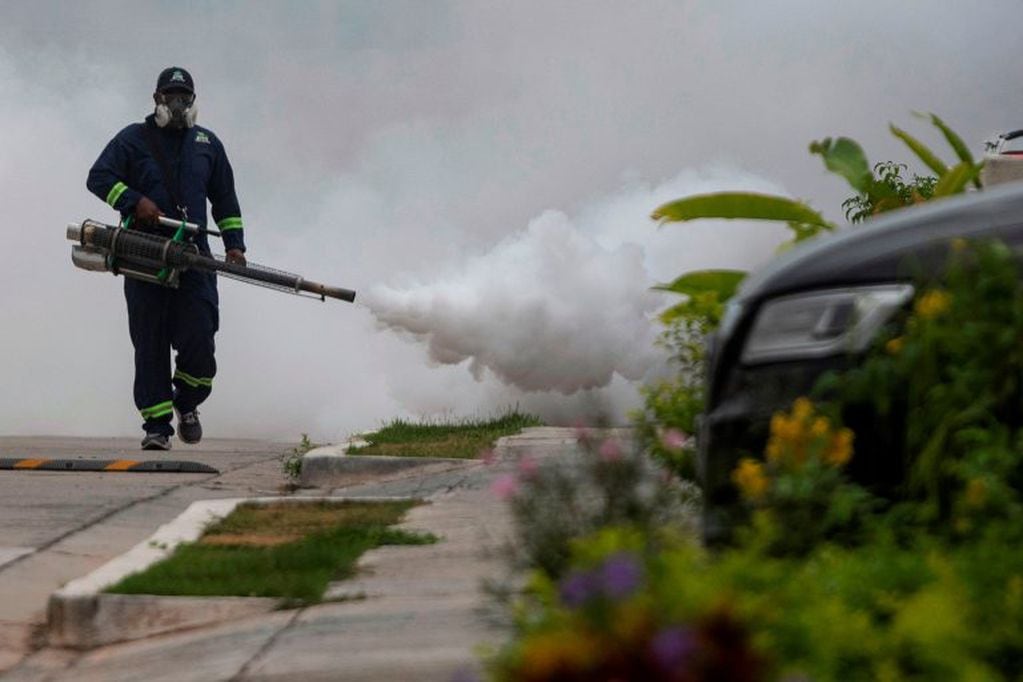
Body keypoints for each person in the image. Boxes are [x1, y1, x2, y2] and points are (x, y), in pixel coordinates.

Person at [87, 67, 247, 450]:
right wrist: (133, 201)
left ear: (193, 100)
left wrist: (235, 245)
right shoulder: (132, 139)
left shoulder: (207, 143)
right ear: (156, 98)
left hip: (194, 259)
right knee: (150, 342)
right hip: (145, 256)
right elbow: (98, 177)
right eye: (170, 95)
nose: (177, 103)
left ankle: (187, 402)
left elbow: (224, 199)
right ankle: (157, 427)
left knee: (200, 340)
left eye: (184, 96)